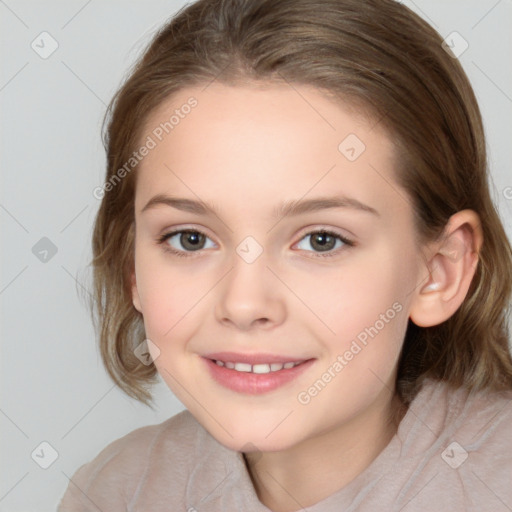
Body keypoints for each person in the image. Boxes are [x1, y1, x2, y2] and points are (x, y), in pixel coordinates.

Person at [58, 0, 512, 510]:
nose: (245, 304)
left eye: (322, 240)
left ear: (438, 271)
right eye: (190, 238)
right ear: (132, 268)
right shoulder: (116, 491)